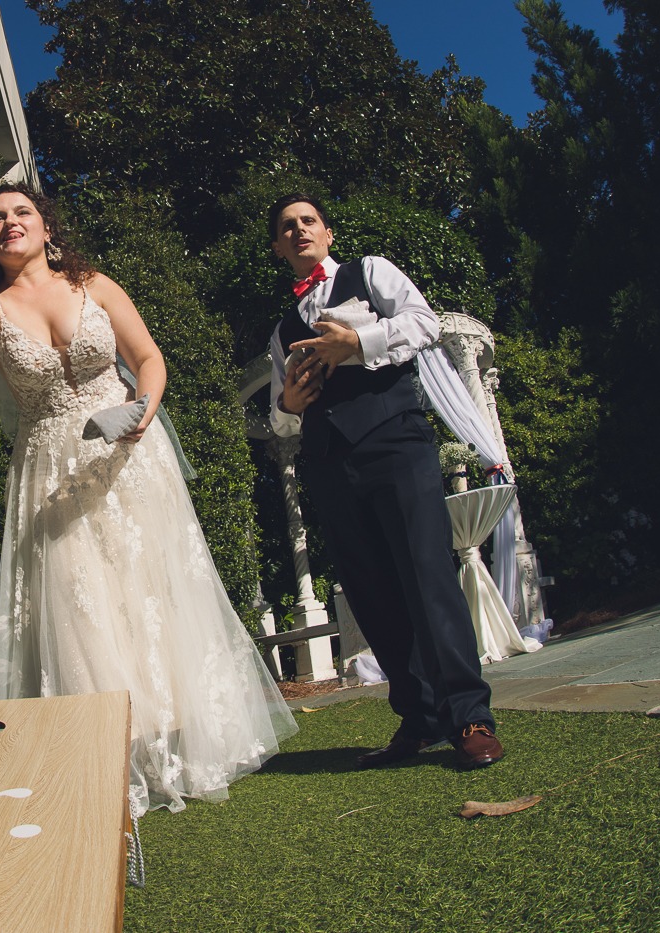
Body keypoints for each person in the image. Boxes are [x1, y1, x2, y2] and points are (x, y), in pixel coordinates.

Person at [0, 182, 297, 815]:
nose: (9, 223)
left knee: (148, 592)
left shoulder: (94, 283)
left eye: (21, 213)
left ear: (45, 225)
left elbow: (148, 357)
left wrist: (142, 411)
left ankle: (180, 745)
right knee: (81, 600)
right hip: (50, 467)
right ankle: (107, 755)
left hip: (129, 453)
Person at [265, 192, 504, 770]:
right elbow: (279, 410)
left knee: (426, 575)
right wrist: (290, 404)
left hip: (395, 440)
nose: (299, 231)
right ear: (278, 247)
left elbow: (424, 324)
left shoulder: (370, 272)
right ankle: (418, 718)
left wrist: (360, 342)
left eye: (308, 221)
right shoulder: (280, 329)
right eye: (287, 227)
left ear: (326, 231)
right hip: (327, 460)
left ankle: (469, 715)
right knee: (370, 591)